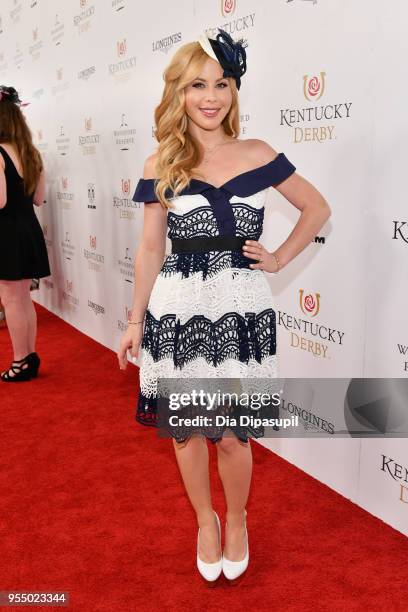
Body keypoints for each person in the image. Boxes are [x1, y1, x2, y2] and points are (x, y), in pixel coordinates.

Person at [118, 29, 331, 583]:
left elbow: (316, 207)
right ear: (177, 93)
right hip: (178, 309)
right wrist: (135, 320)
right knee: (186, 431)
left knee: (234, 435)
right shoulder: (158, 162)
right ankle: (204, 521)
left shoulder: (257, 153)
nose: (211, 96)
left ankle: (236, 518)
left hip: (239, 309)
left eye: (223, 84)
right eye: (197, 85)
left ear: (234, 91)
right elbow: (148, 248)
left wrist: (280, 258)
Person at [0, 85, 50, 382]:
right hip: (27, 228)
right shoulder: (32, 153)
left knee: (11, 298)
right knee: (22, 298)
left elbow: (0, 201)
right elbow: (39, 198)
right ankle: (28, 356)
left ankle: (21, 360)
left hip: (6, 233)